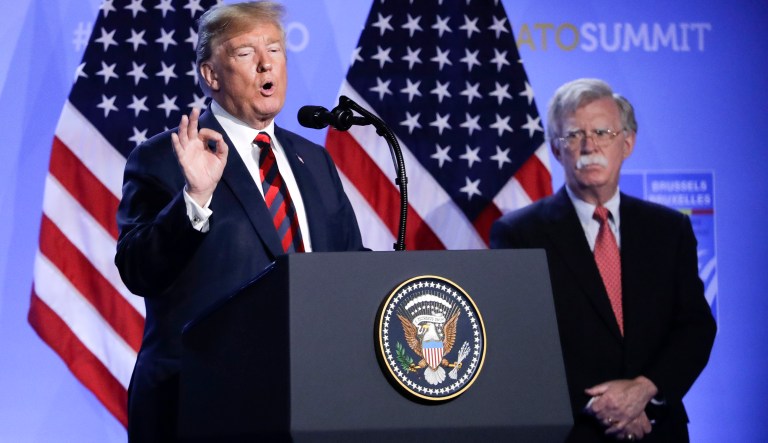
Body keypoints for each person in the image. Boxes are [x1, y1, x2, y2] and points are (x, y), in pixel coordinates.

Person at [115, 2, 365, 440]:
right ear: (211, 75)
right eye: (246, 53)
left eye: (275, 48)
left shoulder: (315, 161)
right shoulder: (165, 159)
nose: (267, 62)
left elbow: (349, 267)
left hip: (311, 399)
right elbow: (138, 269)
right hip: (201, 401)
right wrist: (195, 197)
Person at [490, 78, 716, 442]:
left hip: (657, 428)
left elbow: (695, 327)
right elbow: (518, 341)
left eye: (602, 132)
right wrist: (607, 406)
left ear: (627, 143)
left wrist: (644, 393)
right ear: (555, 148)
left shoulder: (669, 229)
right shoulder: (518, 234)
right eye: (574, 134)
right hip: (572, 432)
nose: (589, 145)